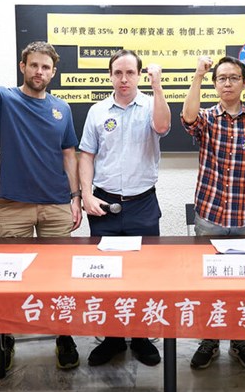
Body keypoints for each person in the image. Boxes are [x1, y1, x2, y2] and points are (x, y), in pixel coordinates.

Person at [0, 19, 82, 370]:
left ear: (53, 72)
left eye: (46, 67)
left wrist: (75, 198)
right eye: (34, 65)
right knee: (8, 279)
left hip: (56, 206)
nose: (40, 71)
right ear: (23, 67)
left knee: (59, 278)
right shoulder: (4, 99)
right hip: (12, 205)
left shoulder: (62, 108)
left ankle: (64, 336)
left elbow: (68, 155)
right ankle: (4, 340)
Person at [182, 56, 245, 370]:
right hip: (210, 217)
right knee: (209, 283)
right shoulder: (208, 118)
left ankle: (239, 341)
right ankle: (208, 339)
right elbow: (188, 117)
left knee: (242, 284)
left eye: (234, 78)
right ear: (215, 84)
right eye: (221, 78)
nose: (227, 83)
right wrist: (197, 75)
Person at [78, 49, 171, 367]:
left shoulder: (150, 105)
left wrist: (157, 87)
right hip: (104, 202)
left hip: (142, 203)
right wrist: (86, 195)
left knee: (143, 275)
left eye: (130, 73)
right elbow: (86, 155)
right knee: (107, 276)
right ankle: (114, 338)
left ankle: (142, 337)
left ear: (139, 75)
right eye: (118, 73)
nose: (124, 79)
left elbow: (162, 127)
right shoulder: (97, 111)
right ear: (110, 76)